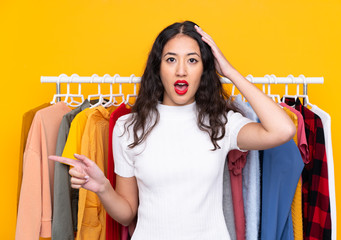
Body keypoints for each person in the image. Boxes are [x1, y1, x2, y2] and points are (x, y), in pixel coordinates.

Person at [49, 20, 296, 239]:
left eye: (192, 60)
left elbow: (283, 129)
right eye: (171, 59)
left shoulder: (221, 123)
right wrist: (102, 187)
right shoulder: (128, 127)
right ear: (158, 68)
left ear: (205, 69)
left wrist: (230, 72)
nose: (181, 70)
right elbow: (126, 214)